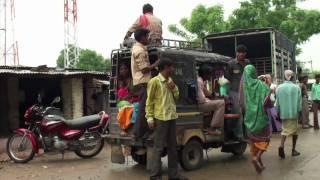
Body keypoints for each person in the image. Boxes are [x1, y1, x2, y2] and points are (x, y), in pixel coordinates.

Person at [146, 59, 187, 180]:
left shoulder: (170, 81)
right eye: (171, 67)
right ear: (165, 68)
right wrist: (149, 118)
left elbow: (177, 96)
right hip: (160, 119)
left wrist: (174, 87)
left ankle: (173, 175)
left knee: (172, 148)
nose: (173, 70)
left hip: (171, 117)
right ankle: (155, 176)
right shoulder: (154, 82)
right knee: (158, 147)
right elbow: (149, 102)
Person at [241, 65, 271, 173]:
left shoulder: (244, 86)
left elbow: (241, 102)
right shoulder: (261, 85)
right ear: (254, 72)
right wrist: (264, 79)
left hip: (249, 119)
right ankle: (256, 158)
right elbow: (269, 94)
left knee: (254, 142)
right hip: (261, 119)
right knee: (265, 139)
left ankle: (260, 164)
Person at [131, 28, 160, 138]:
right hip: (143, 81)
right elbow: (144, 69)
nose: (148, 38)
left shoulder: (139, 48)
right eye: (147, 36)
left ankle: (144, 131)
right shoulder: (139, 51)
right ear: (142, 37)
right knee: (144, 108)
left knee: (145, 107)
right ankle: (137, 133)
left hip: (142, 81)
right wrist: (156, 63)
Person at [225, 44, 250, 139]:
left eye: (243, 53)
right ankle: (239, 135)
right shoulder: (231, 64)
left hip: (246, 92)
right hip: (234, 92)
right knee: (238, 113)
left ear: (245, 54)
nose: (241, 55)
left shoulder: (248, 63)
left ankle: (248, 134)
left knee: (247, 113)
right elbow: (227, 79)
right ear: (236, 53)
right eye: (239, 53)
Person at [276, 70, 302, 159]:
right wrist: (299, 111)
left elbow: (277, 102)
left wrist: (278, 112)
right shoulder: (297, 87)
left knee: (284, 130)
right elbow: (299, 102)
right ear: (292, 77)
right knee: (294, 132)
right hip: (294, 113)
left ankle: (282, 145)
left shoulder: (279, 88)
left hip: (284, 113)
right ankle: (293, 150)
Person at [197, 65, 225, 135]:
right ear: (205, 74)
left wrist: (214, 95)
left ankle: (207, 125)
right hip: (200, 105)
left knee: (217, 102)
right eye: (210, 74)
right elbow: (201, 100)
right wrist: (210, 100)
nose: (211, 76)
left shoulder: (201, 81)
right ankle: (213, 128)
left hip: (201, 103)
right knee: (221, 103)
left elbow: (206, 92)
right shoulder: (199, 82)